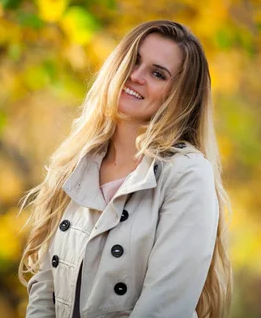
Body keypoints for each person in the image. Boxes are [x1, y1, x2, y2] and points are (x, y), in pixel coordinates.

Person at [19, 20, 231, 318]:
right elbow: (44, 291)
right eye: (133, 61)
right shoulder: (75, 165)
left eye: (157, 74)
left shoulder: (187, 174)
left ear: (179, 97)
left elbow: (164, 307)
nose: (136, 76)